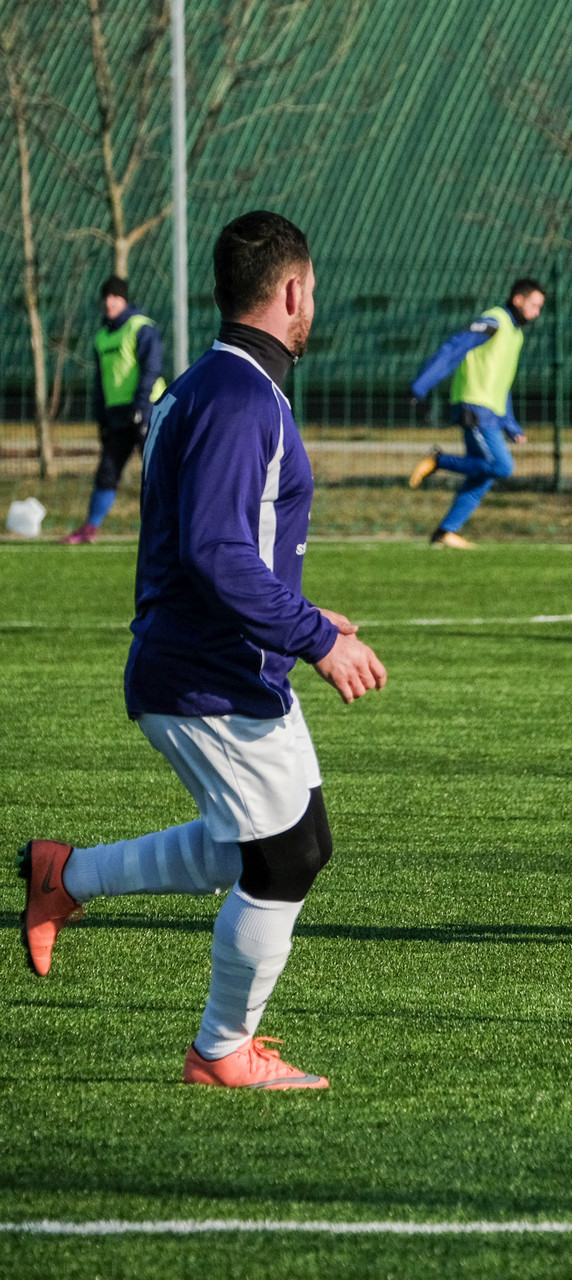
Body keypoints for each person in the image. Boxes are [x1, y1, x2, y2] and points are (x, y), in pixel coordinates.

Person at [18, 211, 388, 1090]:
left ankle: (66, 875)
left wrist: (301, 613)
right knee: (283, 856)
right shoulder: (238, 398)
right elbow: (216, 551)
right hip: (206, 674)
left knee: (282, 841)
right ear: (292, 290)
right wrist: (312, 639)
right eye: (312, 289)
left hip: (225, 661)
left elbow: (223, 543)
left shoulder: (214, 386)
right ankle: (220, 1050)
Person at [405, 279, 545, 549]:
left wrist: (511, 425)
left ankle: (444, 532)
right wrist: (420, 385)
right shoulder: (493, 322)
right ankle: (438, 460)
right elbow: (455, 348)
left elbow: (501, 382)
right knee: (502, 466)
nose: (537, 312)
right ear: (518, 300)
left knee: (482, 474)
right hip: (475, 407)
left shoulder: (515, 335)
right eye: (534, 305)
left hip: (491, 411)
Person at [61, 277, 166, 544]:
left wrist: (141, 407)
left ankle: (172, 527)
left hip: (148, 410)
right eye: (106, 297)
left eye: (115, 297)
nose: (109, 302)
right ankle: (89, 529)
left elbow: (151, 369)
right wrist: (101, 418)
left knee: (159, 471)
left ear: (124, 300)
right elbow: (100, 382)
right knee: (107, 472)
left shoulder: (141, 328)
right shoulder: (101, 338)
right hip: (118, 415)